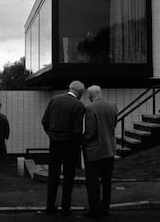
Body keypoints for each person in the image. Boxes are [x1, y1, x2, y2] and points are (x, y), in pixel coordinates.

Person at [41, 80, 85, 217]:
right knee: (68, 176)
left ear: (70, 88)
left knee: (53, 174)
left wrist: (51, 134)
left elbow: (44, 121)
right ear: (80, 92)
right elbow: (78, 130)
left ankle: (50, 207)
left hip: (54, 141)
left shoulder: (54, 100)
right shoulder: (79, 105)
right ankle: (65, 209)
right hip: (70, 144)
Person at [82, 85, 118, 219]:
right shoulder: (112, 106)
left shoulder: (90, 108)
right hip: (109, 149)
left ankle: (94, 210)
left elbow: (90, 132)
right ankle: (105, 208)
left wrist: (83, 140)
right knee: (107, 181)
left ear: (91, 95)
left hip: (94, 150)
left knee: (93, 182)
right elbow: (113, 124)